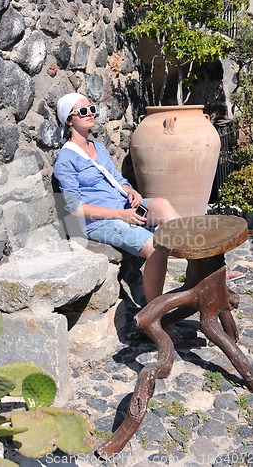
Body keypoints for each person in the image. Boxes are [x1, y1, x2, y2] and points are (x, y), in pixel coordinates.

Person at [53, 93, 183, 341]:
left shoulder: (98, 147)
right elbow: (73, 209)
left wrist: (131, 191)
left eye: (91, 108)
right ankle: (153, 319)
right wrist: (120, 214)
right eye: (82, 111)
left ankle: (200, 270)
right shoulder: (66, 159)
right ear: (69, 120)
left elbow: (117, 180)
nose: (90, 113)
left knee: (164, 206)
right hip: (99, 221)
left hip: (123, 206)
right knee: (156, 248)